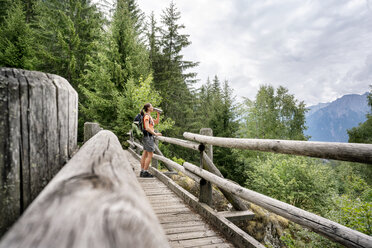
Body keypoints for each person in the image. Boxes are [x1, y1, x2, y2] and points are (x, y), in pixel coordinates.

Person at [140, 103, 162, 177]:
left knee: (145, 154)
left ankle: (142, 171)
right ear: (148, 108)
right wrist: (155, 134)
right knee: (150, 155)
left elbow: (156, 122)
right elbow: (147, 127)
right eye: (152, 107)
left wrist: (158, 114)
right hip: (148, 137)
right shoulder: (146, 116)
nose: (153, 108)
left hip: (147, 137)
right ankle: (145, 172)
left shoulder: (149, 116)